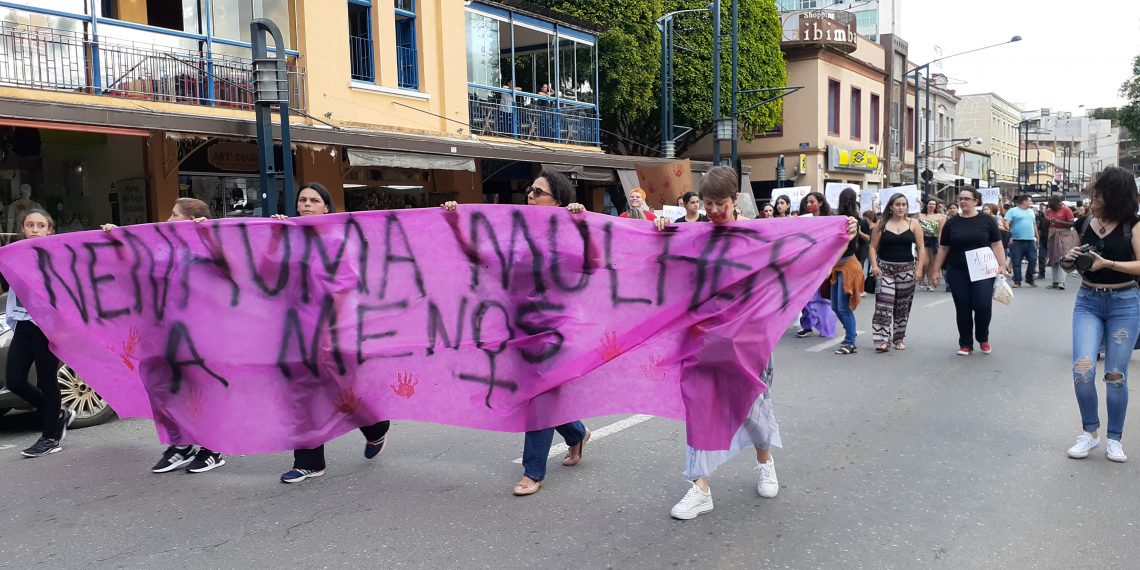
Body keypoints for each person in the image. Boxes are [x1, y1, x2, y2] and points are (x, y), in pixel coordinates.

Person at [660, 167, 858, 520]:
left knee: (752, 409)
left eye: (720, 203)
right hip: (701, 339)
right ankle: (700, 487)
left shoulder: (761, 234)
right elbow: (656, 252)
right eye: (707, 203)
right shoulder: (695, 234)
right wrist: (657, 229)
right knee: (698, 406)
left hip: (749, 342)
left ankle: (765, 462)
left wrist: (842, 232)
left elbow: (804, 252)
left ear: (735, 199)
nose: (713, 210)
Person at [444, 170, 591, 496]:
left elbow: (593, 263)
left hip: (555, 334)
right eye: (530, 190)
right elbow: (480, 257)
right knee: (539, 395)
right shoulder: (517, 237)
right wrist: (454, 222)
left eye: (539, 192)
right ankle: (576, 432)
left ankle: (533, 471)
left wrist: (581, 224)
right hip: (520, 333)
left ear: (558, 201)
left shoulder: (568, 236)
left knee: (539, 397)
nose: (530, 196)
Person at [275, 183, 393, 484]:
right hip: (296, 332)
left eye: (314, 200)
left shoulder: (336, 241)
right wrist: (273, 235)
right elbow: (267, 274)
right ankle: (309, 462)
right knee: (303, 395)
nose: (307, 204)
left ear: (326, 207)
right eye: (302, 199)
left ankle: (375, 426)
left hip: (332, 332)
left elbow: (344, 289)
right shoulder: (289, 237)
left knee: (339, 392)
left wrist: (330, 333)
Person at [104, 198, 225, 472]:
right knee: (164, 386)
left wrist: (208, 235)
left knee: (197, 389)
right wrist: (117, 238)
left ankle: (212, 448)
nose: (168, 220)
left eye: (174, 214)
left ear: (191, 220)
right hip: (163, 331)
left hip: (199, 333)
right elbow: (137, 265)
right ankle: (180, 444)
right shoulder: (163, 247)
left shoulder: (208, 247)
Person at [1059, 167, 1140, 464]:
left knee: (1115, 375)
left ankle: (1114, 439)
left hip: (1124, 303)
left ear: (1114, 194)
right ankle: (1089, 432)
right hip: (1088, 302)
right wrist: (1069, 260)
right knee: (1082, 370)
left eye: (1099, 191)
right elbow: (1070, 264)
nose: (1093, 195)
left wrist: (1108, 263)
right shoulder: (1084, 222)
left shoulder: (1133, 225)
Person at [3, 209, 75, 457]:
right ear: (23, 229)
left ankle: (50, 438)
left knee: (46, 380)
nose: (35, 229)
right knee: (15, 380)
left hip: (48, 325)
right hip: (23, 322)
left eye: (40, 225)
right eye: (30, 225)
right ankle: (58, 414)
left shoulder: (58, 256)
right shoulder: (11, 255)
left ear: (49, 230)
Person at [929, 188, 1008, 356]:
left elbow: (996, 243)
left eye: (967, 198)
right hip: (958, 270)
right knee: (963, 307)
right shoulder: (952, 222)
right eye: (961, 198)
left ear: (975, 201)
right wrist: (935, 271)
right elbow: (943, 248)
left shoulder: (987, 220)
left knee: (983, 305)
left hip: (982, 271)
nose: (963, 201)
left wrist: (1002, 264)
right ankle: (965, 343)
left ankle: (983, 338)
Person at [869, 193, 926, 352]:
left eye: (903, 204)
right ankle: (882, 340)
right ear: (891, 207)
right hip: (885, 269)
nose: (901, 207)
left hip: (907, 270)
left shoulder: (913, 223)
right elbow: (872, 247)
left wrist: (919, 269)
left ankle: (898, 338)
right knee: (883, 304)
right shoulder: (881, 224)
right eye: (897, 204)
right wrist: (874, 265)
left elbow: (921, 247)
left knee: (902, 306)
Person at [794, 192, 836, 338]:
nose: (809, 205)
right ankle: (807, 325)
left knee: (821, 297)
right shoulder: (804, 220)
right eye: (807, 202)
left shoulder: (829, 220)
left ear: (820, 203)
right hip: (806, 262)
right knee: (804, 296)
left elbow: (833, 243)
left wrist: (830, 265)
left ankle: (825, 325)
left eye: (812, 202)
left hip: (823, 262)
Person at [829, 189, 865, 355]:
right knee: (835, 306)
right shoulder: (837, 219)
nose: (846, 202)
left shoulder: (852, 221)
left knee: (843, 307)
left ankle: (850, 341)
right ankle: (851, 332)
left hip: (848, 266)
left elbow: (844, 244)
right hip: (837, 266)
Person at [1004, 195, 1039, 288]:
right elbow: (1006, 224)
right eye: (1030, 201)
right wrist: (1009, 236)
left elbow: (1034, 225)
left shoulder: (1031, 211)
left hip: (1030, 240)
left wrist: (1037, 236)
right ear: (1024, 201)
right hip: (1016, 240)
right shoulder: (1012, 211)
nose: (1031, 203)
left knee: (1033, 259)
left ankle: (1029, 278)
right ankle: (1017, 281)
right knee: (1016, 261)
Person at [1045, 195, 1077, 289]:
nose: (1049, 205)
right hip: (1052, 234)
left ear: (1058, 203)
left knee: (1062, 257)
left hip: (1064, 235)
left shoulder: (1066, 210)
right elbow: (1047, 223)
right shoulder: (1049, 210)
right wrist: (1047, 220)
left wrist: (1058, 221)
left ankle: (1061, 282)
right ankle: (1055, 281)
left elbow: (1072, 223)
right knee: (1053, 258)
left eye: (1051, 203)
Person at [918, 198, 946, 291]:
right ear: (926, 205)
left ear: (936, 206)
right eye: (930, 203)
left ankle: (930, 283)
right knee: (925, 263)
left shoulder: (940, 216)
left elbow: (941, 231)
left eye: (934, 204)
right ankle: (922, 278)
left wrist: (940, 243)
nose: (931, 206)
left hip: (934, 241)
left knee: (932, 263)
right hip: (923, 240)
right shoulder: (920, 215)